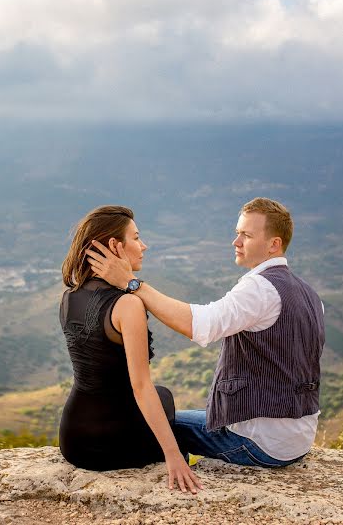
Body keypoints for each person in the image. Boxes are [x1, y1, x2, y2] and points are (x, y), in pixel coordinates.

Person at [86, 197, 325, 468]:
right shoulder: (309, 293)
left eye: (246, 235)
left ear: (274, 244)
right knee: (177, 414)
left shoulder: (260, 289)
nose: (236, 242)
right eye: (237, 233)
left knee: (156, 424)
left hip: (262, 441)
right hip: (297, 438)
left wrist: (131, 284)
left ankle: (179, 485)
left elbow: (200, 325)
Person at [59, 205, 201, 493]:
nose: (143, 245)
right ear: (115, 245)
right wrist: (173, 456)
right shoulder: (128, 305)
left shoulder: (68, 297)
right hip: (109, 442)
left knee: (161, 397)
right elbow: (140, 387)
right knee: (163, 398)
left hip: (72, 438)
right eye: (136, 238)